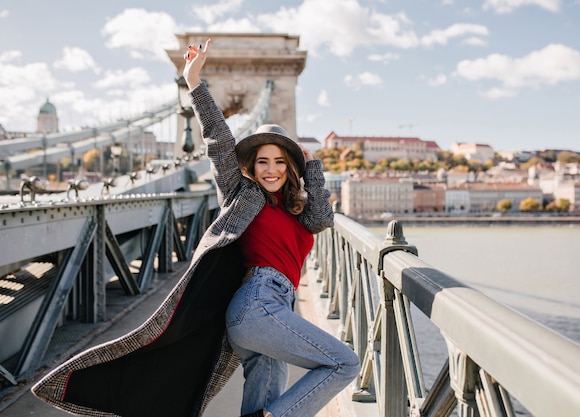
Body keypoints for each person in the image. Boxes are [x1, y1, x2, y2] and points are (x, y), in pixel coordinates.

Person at [31, 39, 359, 417]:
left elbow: (321, 220)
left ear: (290, 167)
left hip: (277, 306)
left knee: (265, 396)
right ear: (250, 166)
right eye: (262, 161)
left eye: (280, 162)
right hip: (257, 305)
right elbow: (220, 142)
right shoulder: (242, 195)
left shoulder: (295, 208)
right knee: (344, 362)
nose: (271, 169)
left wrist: (312, 168)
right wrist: (194, 81)